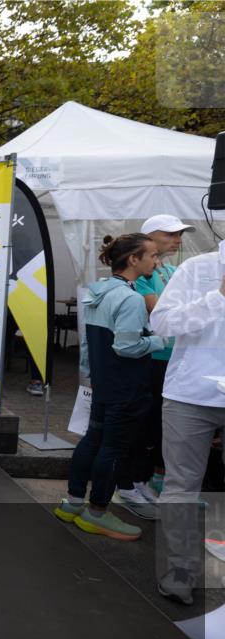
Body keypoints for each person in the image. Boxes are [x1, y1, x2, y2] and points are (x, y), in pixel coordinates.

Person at [54, 233, 162, 540]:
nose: (157, 261)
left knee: (93, 440)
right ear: (133, 259)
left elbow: (89, 343)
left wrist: (91, 375)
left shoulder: (97, 292)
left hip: (104, 382)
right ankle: (98, 513)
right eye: (153, 255)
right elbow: (127, 347)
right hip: (126, 386)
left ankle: (73, 504)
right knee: (113, 449)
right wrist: (160, 339)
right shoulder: (130, 299)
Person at [150, 242, 225, 605]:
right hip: (190, 395)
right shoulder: (198, 268)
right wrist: (217, 297)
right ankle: (181, 569)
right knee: (181, 486)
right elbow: (161, 322)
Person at [134, 214, 195, 498]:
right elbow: (158, 312)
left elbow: (185, 310)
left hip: (175, 357)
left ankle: (158, 478)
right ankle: (138, 481)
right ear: (149, 238)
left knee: (168, 422)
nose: (177, 240)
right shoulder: (142, 274)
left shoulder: (171, 271)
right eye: (170, 234)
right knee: (149, 421)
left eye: (179, 235)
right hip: (152, 358)